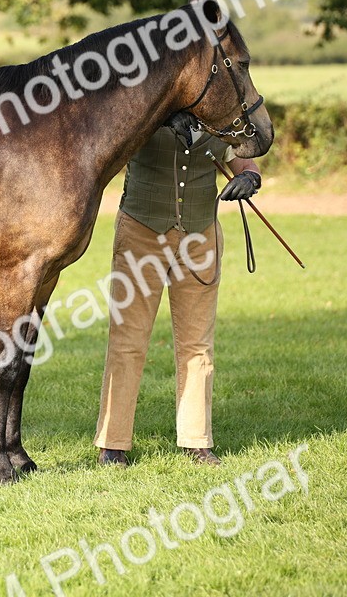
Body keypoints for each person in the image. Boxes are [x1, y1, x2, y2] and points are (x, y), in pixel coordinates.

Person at [93, 124, 261, 467]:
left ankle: (196, 441)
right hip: (141, 233)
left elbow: (242, 161)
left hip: (201, 238)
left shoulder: (217, 116)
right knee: (128, 340)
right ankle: (113, 443)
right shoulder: (148, 107)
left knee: (198, 342)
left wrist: (250, 178)